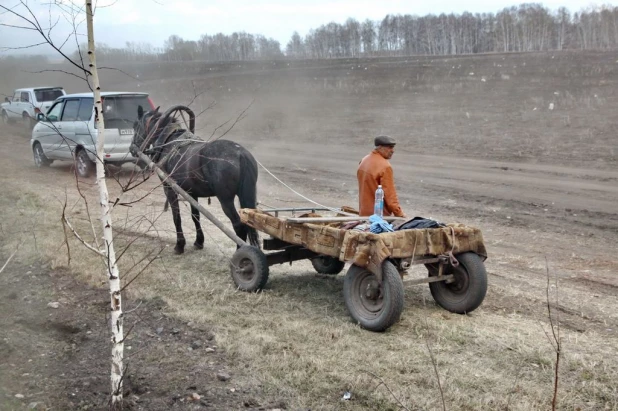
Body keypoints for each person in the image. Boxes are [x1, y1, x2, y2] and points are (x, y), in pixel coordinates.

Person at [357, 135, 406, 218]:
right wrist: (399, 213)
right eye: (390, 147)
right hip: (379, 215)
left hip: (363, 213)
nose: (392, 151)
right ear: (380, 147)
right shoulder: (385, 167)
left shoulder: (364, 160)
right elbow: (390, 196)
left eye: (393, 148)